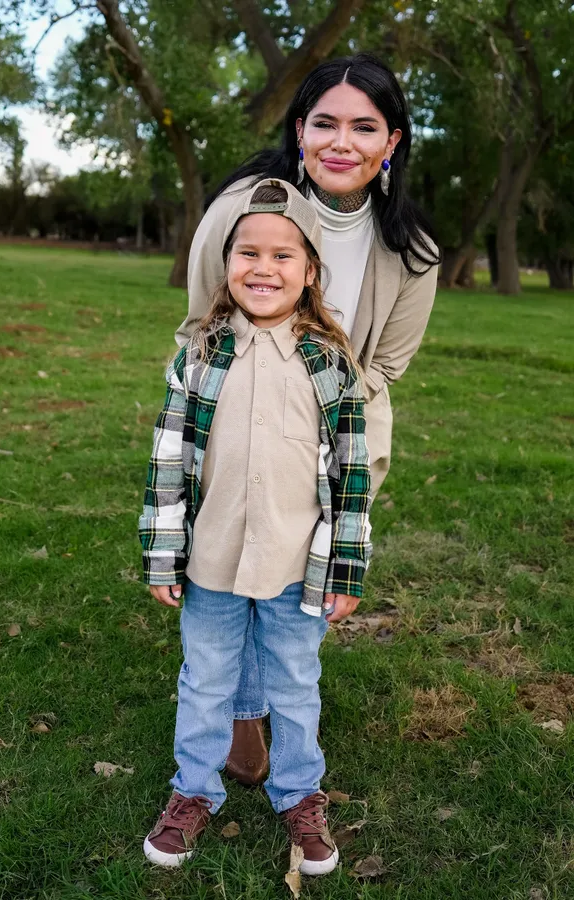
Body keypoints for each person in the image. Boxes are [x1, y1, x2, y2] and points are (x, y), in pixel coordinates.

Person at [176, 53, 441, 785]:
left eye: (365, 127)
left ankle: (269, 705)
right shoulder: (240, 208)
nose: (341, 142)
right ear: (300, 130)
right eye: (325, 122)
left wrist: (326, 417)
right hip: (238, 415)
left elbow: (386, 364)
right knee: (233, 560)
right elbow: (202, 317)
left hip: (339, 428)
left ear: (391, 143)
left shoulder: (412, 251)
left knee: (296, 574)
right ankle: (242, 716)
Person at [139, 179, 372, 874]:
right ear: (226, 263)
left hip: (296, 568)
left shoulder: (329, 365)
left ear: (309, 273)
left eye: (282, 256)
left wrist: (347, 567)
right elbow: (168, 465)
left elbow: (351, 477)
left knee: (295, 682)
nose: (263, 268)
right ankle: (193, 792)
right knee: (206, 679)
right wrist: (161, 554)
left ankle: (300, 795)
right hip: (211, 563)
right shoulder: (199, 357)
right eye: (248, 252)